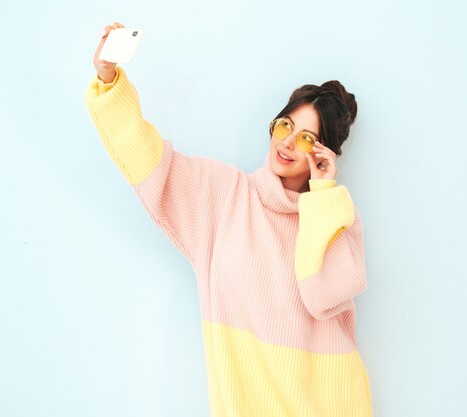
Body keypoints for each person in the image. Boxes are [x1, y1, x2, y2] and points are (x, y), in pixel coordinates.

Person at [85, 21, 373, 417]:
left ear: (323, 154)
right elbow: (148, 158)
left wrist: (322, 195)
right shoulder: (222, 196)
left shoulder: (334, 217)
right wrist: (109, 79)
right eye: (286, 125)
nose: (288, 142)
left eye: (306, 138)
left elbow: (323, 297)